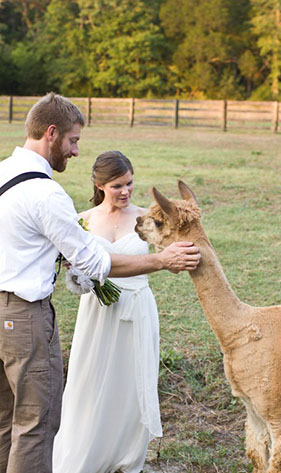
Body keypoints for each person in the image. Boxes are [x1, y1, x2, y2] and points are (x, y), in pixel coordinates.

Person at [0, 93, 200, 473]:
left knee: (5, 421)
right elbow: (93, 262)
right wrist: (162, 260)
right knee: (35, 424)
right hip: (24, 318)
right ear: (52, 133)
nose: (75, 152)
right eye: (73, 141)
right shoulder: (45, 192)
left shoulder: (3, 173)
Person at [53, 150, 163, 473]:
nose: (126, 192)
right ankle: (84, 456)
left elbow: (169, 254)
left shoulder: (147, 218)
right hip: (98, 314)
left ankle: (125, 458)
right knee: (89, 384)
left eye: (129, 183)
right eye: (117, 186)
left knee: (130, 384)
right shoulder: (83, 220)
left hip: (137, 308)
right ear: (100, 186)